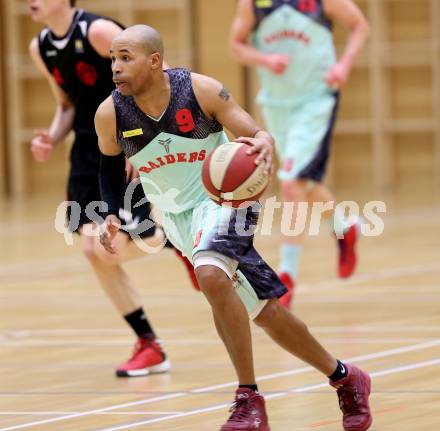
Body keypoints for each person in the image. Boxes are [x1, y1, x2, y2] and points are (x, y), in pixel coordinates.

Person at [96, 24, 372, 431]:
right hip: (178, 218)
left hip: (228, 201)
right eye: (113, 60)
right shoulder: (111, 112)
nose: (116, 68)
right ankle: (346, 378)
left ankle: (249, 399)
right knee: (265, 313)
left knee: (210, 273)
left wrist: (264, 142)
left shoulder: (200, 90)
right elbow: (107, 167)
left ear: (154, 60)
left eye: (125, 58)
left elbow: (253, 131)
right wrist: (112, 213)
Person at [28, 0, 198, 377]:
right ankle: (149, 343)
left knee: (102, 246)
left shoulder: (98, 32)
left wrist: (142, 144)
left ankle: (176, 241)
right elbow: (67, 104)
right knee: (95, 253)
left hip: (124, 144)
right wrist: (52, 138)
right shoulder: (39, 46)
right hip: (86, 156)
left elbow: (163, 80)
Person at [230, 0, 371, 307]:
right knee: (303, 181)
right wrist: (264, 59)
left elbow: (360, 25)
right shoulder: (253, 4)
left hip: (316, 100)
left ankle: (286, 275)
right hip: (277, 104)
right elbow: (236, 45)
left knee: (292, 183)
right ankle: (344, 228)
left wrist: (344, 65)